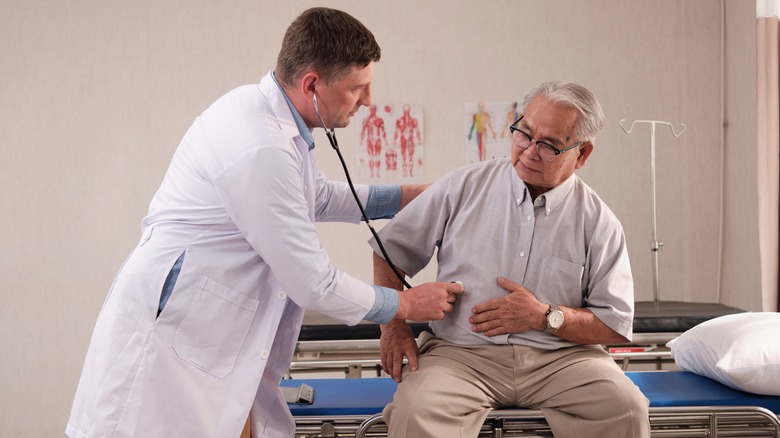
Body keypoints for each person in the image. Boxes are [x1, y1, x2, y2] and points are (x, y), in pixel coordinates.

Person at [66, 7, 463, 438]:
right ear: (312, 84)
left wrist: (411, 196)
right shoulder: (261, 145)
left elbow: (318, 196)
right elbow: (313, 282)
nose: (367, 101)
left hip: (208, 334)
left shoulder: (272, 120)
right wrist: (404, 304)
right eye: (357, 88)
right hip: (175, 341)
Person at [371, 81, 650, 437]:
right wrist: (392, 325)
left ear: (582, 154)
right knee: (414, 412)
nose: (530, 151)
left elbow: (614, 324)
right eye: (523, 134)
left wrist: (546, 317)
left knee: (627, 409)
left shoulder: (599, 221)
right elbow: (390, 249)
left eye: (549, 144)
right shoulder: (463, 186)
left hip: (562, 361)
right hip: (461, 356)